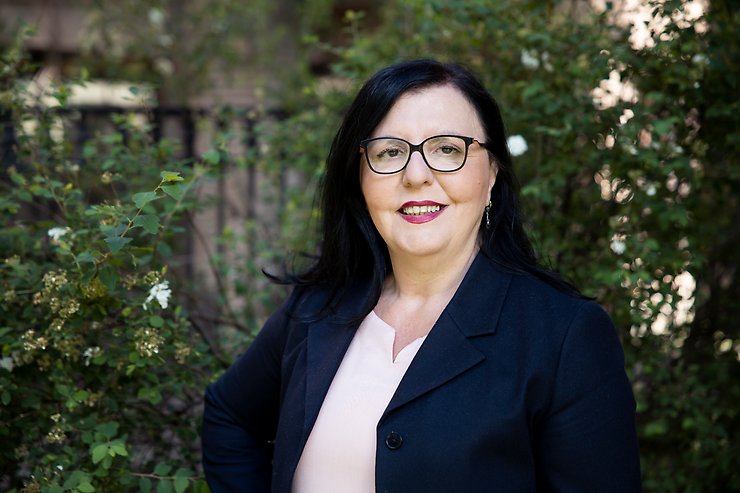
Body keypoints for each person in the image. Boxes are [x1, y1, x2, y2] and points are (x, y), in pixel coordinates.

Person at [201, 59, 642, 493]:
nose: (415, 176)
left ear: (492, 172)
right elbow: (229, 416)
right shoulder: (319, 305)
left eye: (447, 149)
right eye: (389, 151)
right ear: (359, 177)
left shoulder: (564, 337)